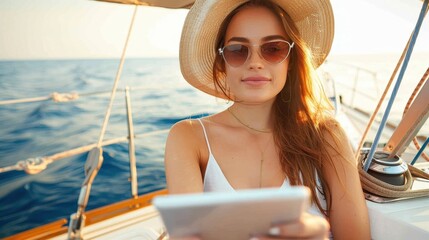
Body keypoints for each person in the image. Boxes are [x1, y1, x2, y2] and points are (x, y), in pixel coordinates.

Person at [165, 0, 371, 239]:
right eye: (238, 50)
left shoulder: (325, 135)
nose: (255, 62)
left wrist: (319, 232)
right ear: (222, 62)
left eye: (273, 49)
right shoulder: (189, 137)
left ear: (291, 59)